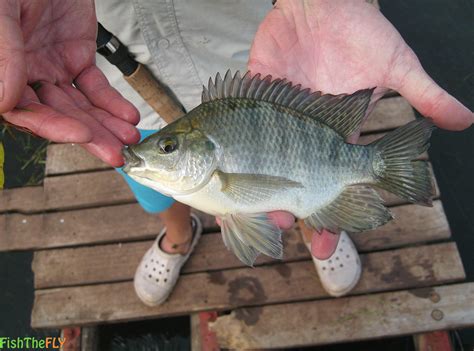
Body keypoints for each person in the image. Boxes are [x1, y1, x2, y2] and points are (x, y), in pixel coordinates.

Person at [0, 0, 472, 305]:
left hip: (257, 50)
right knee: (137, 167)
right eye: (170, 148)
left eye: (171, 148)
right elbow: (142, 152)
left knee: (307, 199)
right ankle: (179, 234)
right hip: (110, 81)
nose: (159, 153)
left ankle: (319, 224)